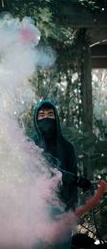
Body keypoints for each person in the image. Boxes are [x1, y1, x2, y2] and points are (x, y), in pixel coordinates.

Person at [32, 99, 91, 249]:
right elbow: (45, 169)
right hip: (37, 210)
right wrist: (75, 179)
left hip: (63, 210)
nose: (46, 118)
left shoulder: (67, 147)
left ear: (56, 118)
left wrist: (72, 209)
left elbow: (72, 176)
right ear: (36, 119)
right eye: (42, 115)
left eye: (50, 114)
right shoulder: (31, 145)